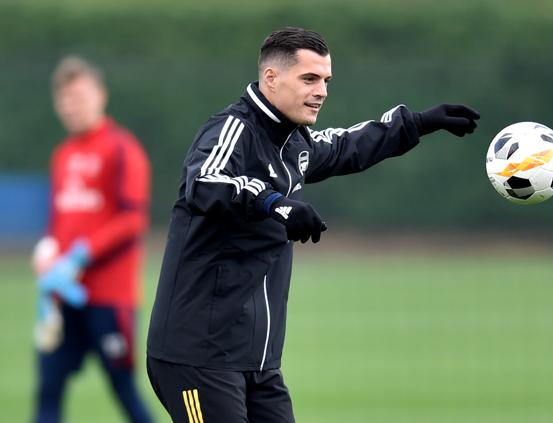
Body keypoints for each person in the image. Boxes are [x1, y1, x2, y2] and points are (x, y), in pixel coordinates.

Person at [146, 27, 479, 423]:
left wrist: (418, 123)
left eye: (326, 80)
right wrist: (274, 203)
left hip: (257, 361)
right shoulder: (233, 129)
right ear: (271, 78)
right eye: (309, 79)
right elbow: (204, 182)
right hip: (197, 357)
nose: (321, 90)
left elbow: (345, 145)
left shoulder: (295, 142)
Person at [31, 56, 154, 423]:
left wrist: (82, 255)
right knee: (48, 389)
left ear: (101, 96)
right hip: (62, 295)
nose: (72, 105)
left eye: (79, 96)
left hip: (108, 297)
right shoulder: (63, 155)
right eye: (65, 98)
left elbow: (133, 219)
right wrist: (48, 256)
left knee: (124, 389)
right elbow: (59, 222)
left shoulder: (121, 149)